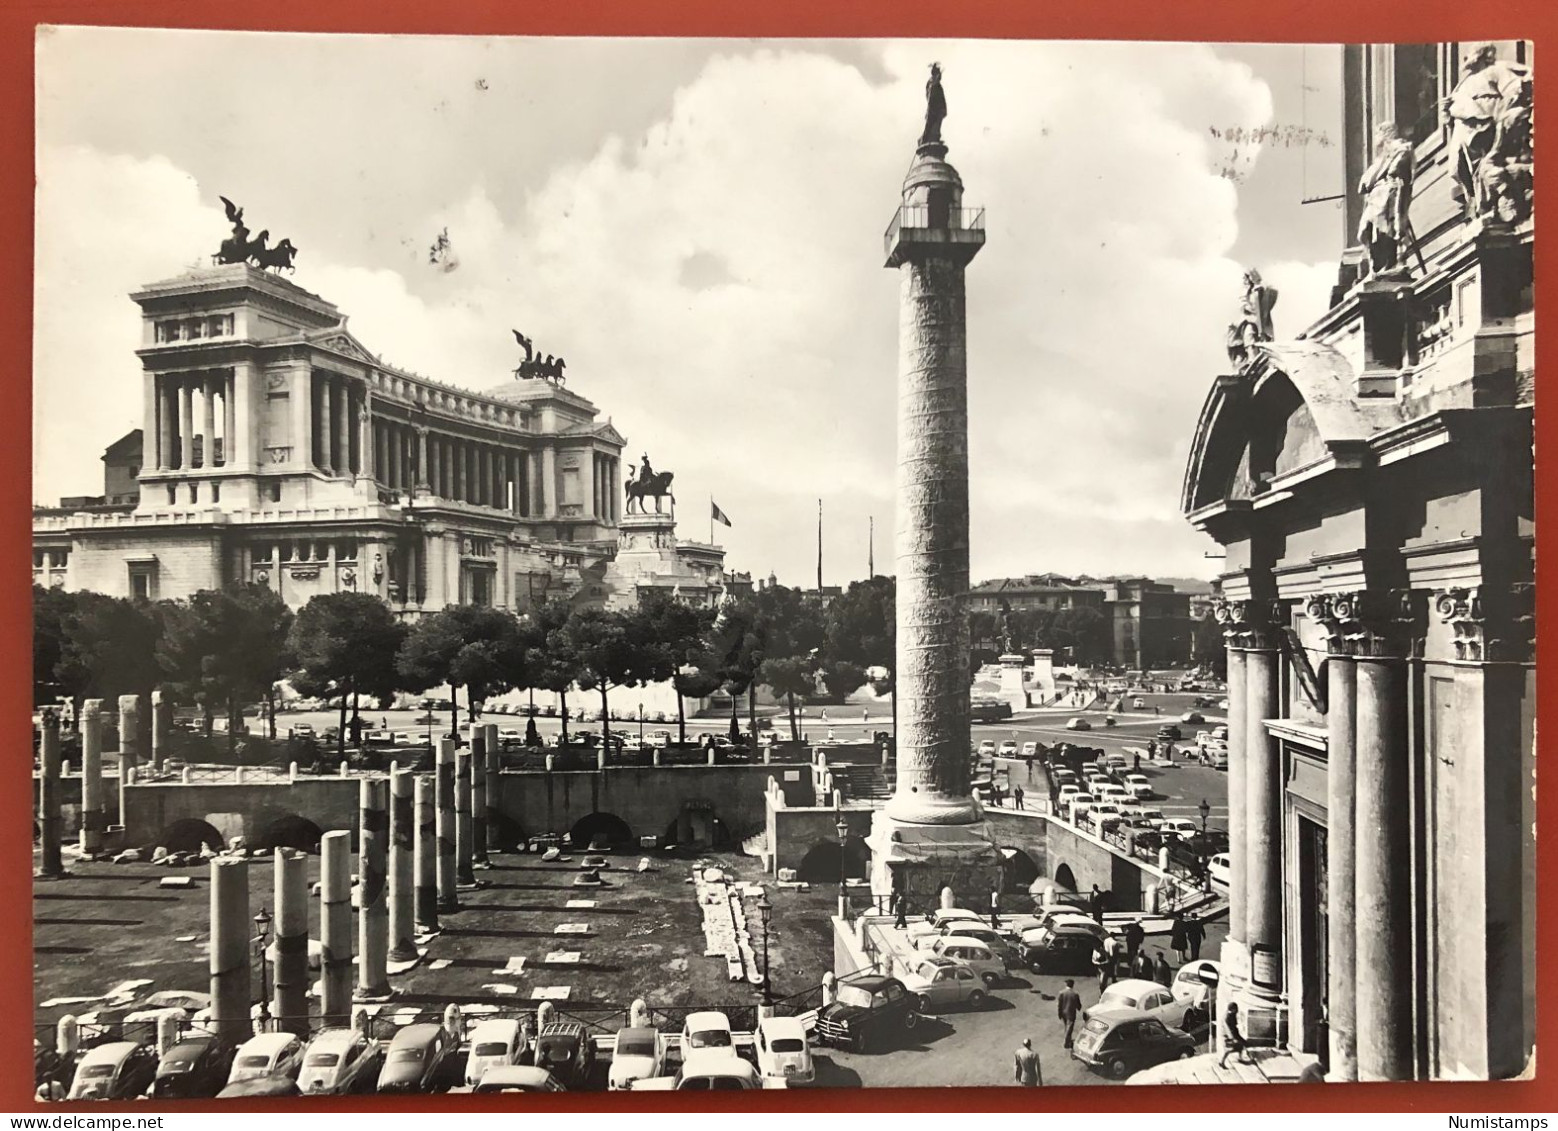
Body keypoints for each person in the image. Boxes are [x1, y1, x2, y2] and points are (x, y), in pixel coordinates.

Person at [1218, 1002, 1251, 1068]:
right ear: (1232, 1009)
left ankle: (1240, 1058)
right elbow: (1227, 1029)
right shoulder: (1227, 1017)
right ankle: (1222, 1062)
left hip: (1235, 1033)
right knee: (1230, 1048)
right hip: (1228, 1035)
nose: (1237, 1010)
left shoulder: (1232, 1014)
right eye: (1235, 1009)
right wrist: (1233, 1038)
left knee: (1242, 1045)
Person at [1057, 978, 1084, 1048]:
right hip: (1071, 1013)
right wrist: (1078, 1007)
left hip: (1063, 1013)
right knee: (1069, 1028)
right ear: (1072, 985)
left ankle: (1068, 1040)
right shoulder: (1075, 994)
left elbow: (1059, 1004)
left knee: (1066, 1026)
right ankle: (1066, 1042)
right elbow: (1079, 1006)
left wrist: (1059, 1013)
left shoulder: (1061, 993)